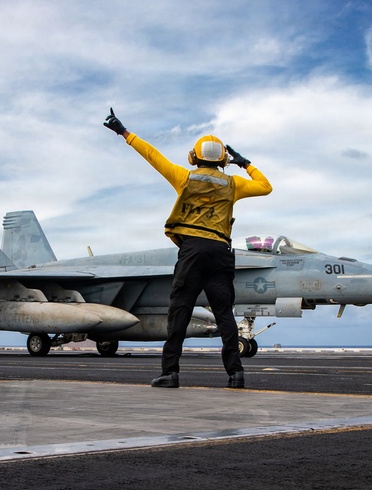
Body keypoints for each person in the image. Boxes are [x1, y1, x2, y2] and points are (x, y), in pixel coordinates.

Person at [104, 109, 272, 388]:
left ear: (193, 157)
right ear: (223, 160)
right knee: (224, 314)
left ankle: (170, 373)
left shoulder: (185, 178)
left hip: (192, 251)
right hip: (220, 252)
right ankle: (236, 373)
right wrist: (245, 163)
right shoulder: (233, 184)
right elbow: (266, 187)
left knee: (179, 310)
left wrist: (124, 133)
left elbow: (153, 157)